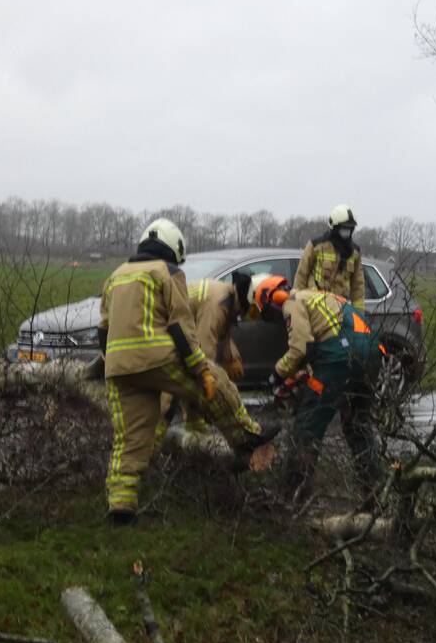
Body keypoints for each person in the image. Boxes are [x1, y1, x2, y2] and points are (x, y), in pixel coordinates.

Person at [97, 219, 275, 525]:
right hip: (157, 357)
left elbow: (103, 329)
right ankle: (246, 439)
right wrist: (200, 369)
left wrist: (111, 362)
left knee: (130, 436)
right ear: (172, 248)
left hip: (118, 366)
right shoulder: (167, 272)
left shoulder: (115, 276)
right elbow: (182, 326)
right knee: (217, 382)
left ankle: (121, 506)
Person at [251, 274, 382, 502]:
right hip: (371, 354)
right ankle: (377, 491)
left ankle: (292, 495)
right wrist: (299, 377)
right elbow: (317, 346)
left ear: (272, 299)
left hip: (340, 357)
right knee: (357, 427)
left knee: (307, 426)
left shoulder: (292, 302)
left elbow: (299, 350)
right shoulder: (319, 296)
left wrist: (276, 376)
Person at [159, 273, 266, 439]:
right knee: (173, 390)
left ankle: (195, 433)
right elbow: (204, 346)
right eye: (252, 312)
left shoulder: (228, 297)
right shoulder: (219, 303)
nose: (248, 317)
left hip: (178, 334)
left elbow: (223, 333)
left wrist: (232, 357)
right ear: (248, 299)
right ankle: (149, 445)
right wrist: (209, 375)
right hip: (167, 336)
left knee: (189, 381)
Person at [294, 204, 366, 311]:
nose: (347, 231)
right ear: (335, 227)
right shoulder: (316, 246)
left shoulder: (354, 252)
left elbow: (358, 287)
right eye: (344, 228)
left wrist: (359, 315)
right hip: (316, 309)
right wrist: (297, 305)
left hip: (340, 310)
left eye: (350, 228)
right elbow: (301, 277)